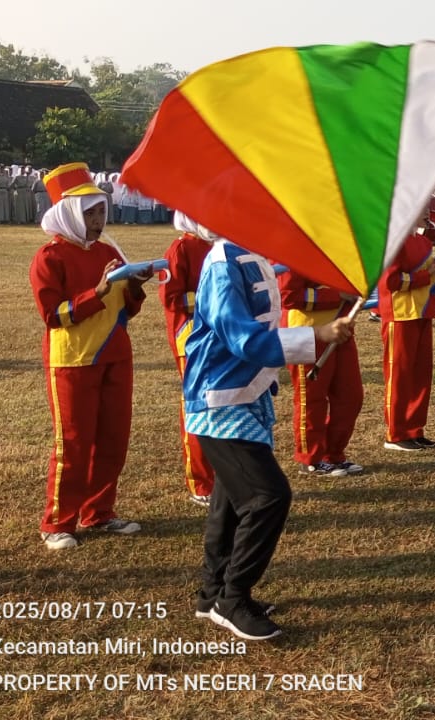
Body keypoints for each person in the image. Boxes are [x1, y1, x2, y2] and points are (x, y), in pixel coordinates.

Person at [185, 223, 354, 640]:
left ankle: (213, 593)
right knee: (267, 496)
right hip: (220, 397)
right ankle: (233, 599)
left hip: (243, 392)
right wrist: (316, 335)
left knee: (228, 499)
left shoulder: (248, 252)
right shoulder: (224, 262)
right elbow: (243, 337)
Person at [29, 163, 147, 550]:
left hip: (115, 354)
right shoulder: (49, 258)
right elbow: (54, 316)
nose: (98, 220)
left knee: (114, 438)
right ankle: (57, 523)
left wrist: (134, 286)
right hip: (73, 360)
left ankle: (100, 512)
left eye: (101, 212)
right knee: (74, 442)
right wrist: (96, 292)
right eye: (89, 213)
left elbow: (127, 309)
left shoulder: (110, 250)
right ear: (68, 213)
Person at [380, 200, 435, 451]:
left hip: (423, 312)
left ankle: (414, 429)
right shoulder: (394, 242)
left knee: (421, 374)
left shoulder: (422, 241)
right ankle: (395, 432)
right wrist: (427, 275)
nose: (427, 214)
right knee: (399, 376)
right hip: (400, 315)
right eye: (422, 209)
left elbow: (430, 279)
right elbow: (391, 281)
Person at [279, 269, 364, 476]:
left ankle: (333, 454)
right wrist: (337, 295)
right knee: (312, 398)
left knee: (350, 396)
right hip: (307, 332)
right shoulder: (293, 247)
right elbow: (288, 295)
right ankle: (311, 458)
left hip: (340, 327)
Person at [162, 213, 218, 505]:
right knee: (197, 409)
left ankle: (222, 476)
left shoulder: (219, 245)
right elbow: (172, 298)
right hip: (191, 338)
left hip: (221, 335)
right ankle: (200, 482)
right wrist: (214, 297)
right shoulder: (181, 248)